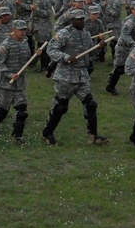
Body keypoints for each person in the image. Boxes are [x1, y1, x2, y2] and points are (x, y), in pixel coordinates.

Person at [42, 9, 109, 146]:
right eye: (78, 19)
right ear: (72, 20)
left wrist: (99, 47)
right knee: (61, 107)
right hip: (65, 76)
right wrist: (66, 57)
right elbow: (51, 50)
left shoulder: (86, 34)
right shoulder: (63, 34)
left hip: (82, 76)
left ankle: (93, 135)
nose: (81, 21)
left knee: (90, 104)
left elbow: (89, 54)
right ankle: (47, 133)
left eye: (83, 19)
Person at [0, 19, 37, 142]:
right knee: (2, 112)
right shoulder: (5, 45)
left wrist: (35, 56)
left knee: (22, 111)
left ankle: (17, 136)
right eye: (20, 30)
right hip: (5, 85)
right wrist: (9, 74)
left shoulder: (25, 43)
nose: (23, 32)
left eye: (24, 30)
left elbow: (27, 60)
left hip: (20, 85)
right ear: (13, 30)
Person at [106, 0, 135, 94]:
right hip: (123, 48)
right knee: (120, 69)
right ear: (132, 10)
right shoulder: (129, 21)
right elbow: (124, 35)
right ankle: (110, 86)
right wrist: (133, 43)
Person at [30, 0, 54, 73]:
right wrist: (30, 24)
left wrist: (37, 9)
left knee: (44, 47)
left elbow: (48, 13)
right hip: (36, 26)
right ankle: (42, 64)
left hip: (44, 26)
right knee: (39, 46)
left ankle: (45, 66)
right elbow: (32, 13)